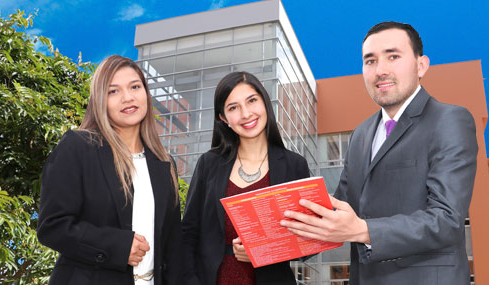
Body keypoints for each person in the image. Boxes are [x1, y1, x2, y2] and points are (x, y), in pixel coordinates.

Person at [280, 22, 478, 284]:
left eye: (393, 56)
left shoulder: (449, 120)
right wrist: (272, 241)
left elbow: (447, 219)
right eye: (370, 61)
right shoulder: (361, 134)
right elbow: (341, 212)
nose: (380, 70)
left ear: (421, 65)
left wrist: (363, 230)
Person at [37, 55, 182, 284]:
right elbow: (52, 227)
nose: (127, 97)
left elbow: (174, 245)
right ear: (99, 101)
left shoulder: (164, 164)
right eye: (113, 91)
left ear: (145, 93)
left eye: (135, 87)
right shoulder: (78, 147)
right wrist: (119, 246)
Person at [182, 71, 310, 285]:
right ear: (224, 118)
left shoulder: (294, 165)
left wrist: (264, 251)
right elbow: (188, 234)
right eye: (233, 107)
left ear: (264, 103)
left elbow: (308, 241)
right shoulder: (209, 164)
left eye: (252, 101)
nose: (246, 113)